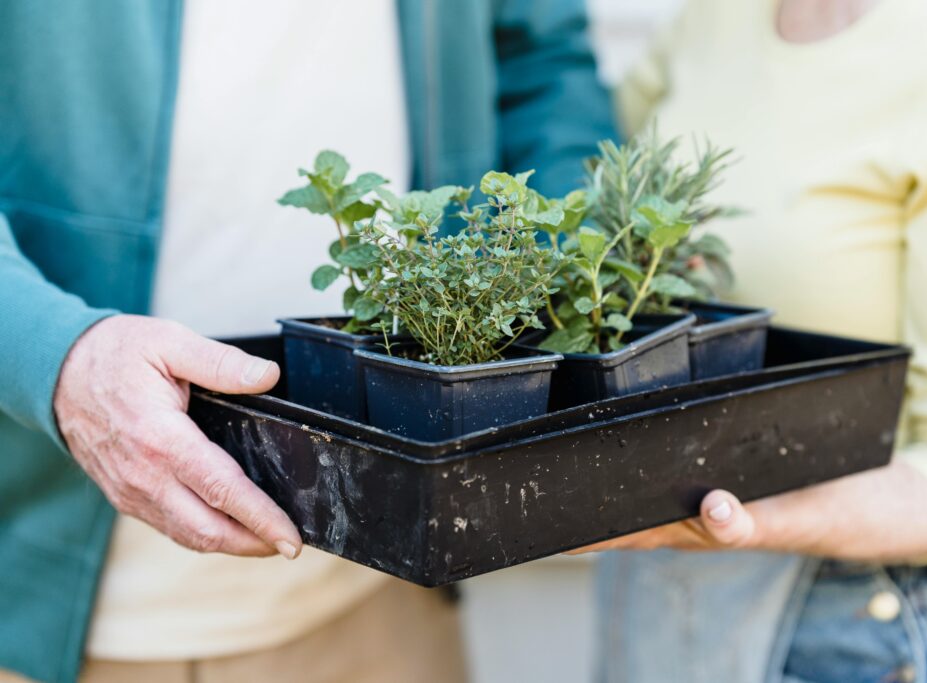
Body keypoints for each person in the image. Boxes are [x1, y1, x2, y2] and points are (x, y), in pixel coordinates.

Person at [0, 2, 614, 682]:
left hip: (385, 593)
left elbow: (538, 60)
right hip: (77, 618)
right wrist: (56, 357)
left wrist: (583, 286)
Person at [580, 0, 927, 681]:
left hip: (847, 623)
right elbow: (612, 179)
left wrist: (750, 514)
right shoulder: (713, 17)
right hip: (664, 591)